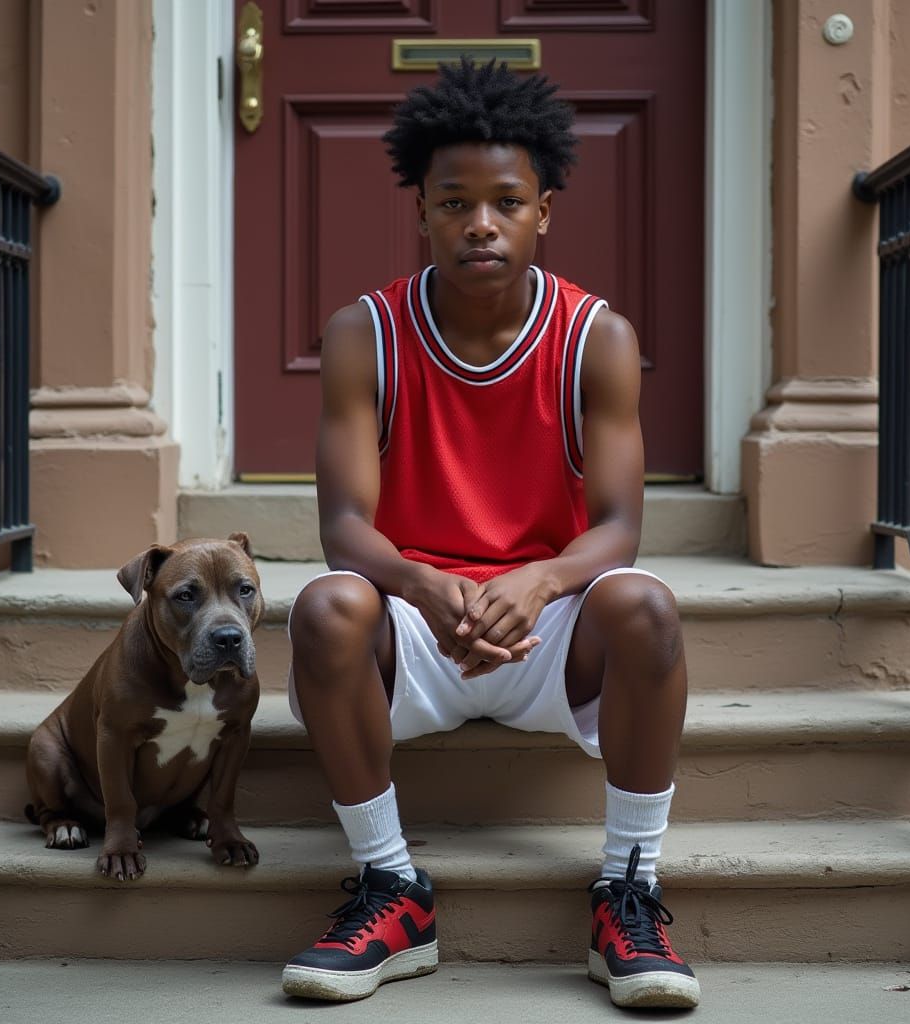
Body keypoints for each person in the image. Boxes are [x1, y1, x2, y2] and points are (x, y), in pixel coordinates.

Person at [281, 58, 699, 1011]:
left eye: (505, 201)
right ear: (420, 210)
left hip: (547, 630)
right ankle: (392, 889)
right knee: (325, 607)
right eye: (455, 201)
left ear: (543, 210)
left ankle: (629, 888)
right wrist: (427, 586)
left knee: (645, 607)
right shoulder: (365, 332)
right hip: (419, 626)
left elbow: (619, 529)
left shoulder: (597, 336)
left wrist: (544, 583)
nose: (480, 222)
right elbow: (344, 526)